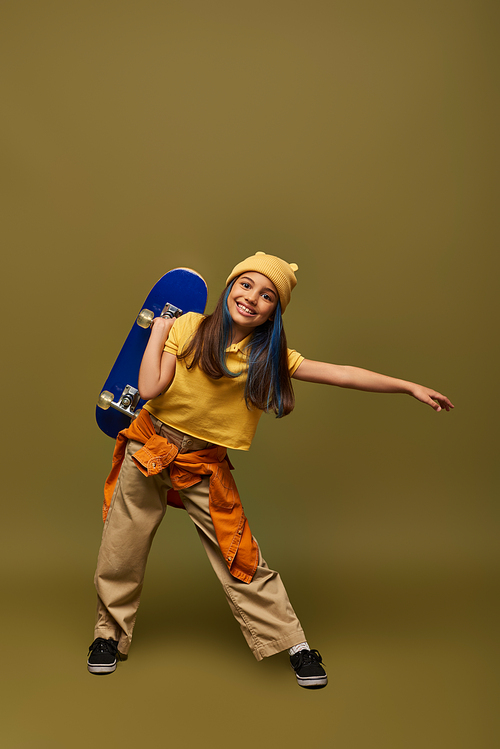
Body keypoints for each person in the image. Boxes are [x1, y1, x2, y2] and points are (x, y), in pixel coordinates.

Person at [87, 252, 454, 688]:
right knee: (121, 546)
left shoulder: (270, 356)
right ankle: (107, 635)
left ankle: (293, 644)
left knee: (240, 554)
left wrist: (407, 386)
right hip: (147, 446)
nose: (251, 298)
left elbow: (341, 373)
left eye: (266, 295)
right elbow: (149, 388)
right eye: (245, 285)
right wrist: (160, 332)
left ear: (273, 312)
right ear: (229, 287)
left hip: (203, 463)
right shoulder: (187, 327)